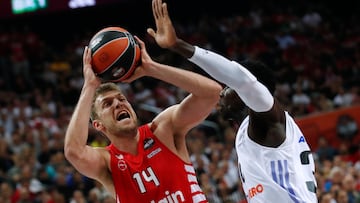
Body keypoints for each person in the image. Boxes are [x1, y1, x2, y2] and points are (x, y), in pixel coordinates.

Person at [146, 0, 318, 202]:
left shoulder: (268, 120)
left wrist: (178, 46)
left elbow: (243, 80)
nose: (222, 92)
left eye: (227, 87)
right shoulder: (257, 128)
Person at [64, 35, 222, 203]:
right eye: (108, 104)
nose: (118, 104)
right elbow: (74, 151)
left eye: (122, 99)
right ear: (98, 125)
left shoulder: (162, 130)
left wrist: (152, 68)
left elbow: (211, 93)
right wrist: (89, 86)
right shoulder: (106, 162)